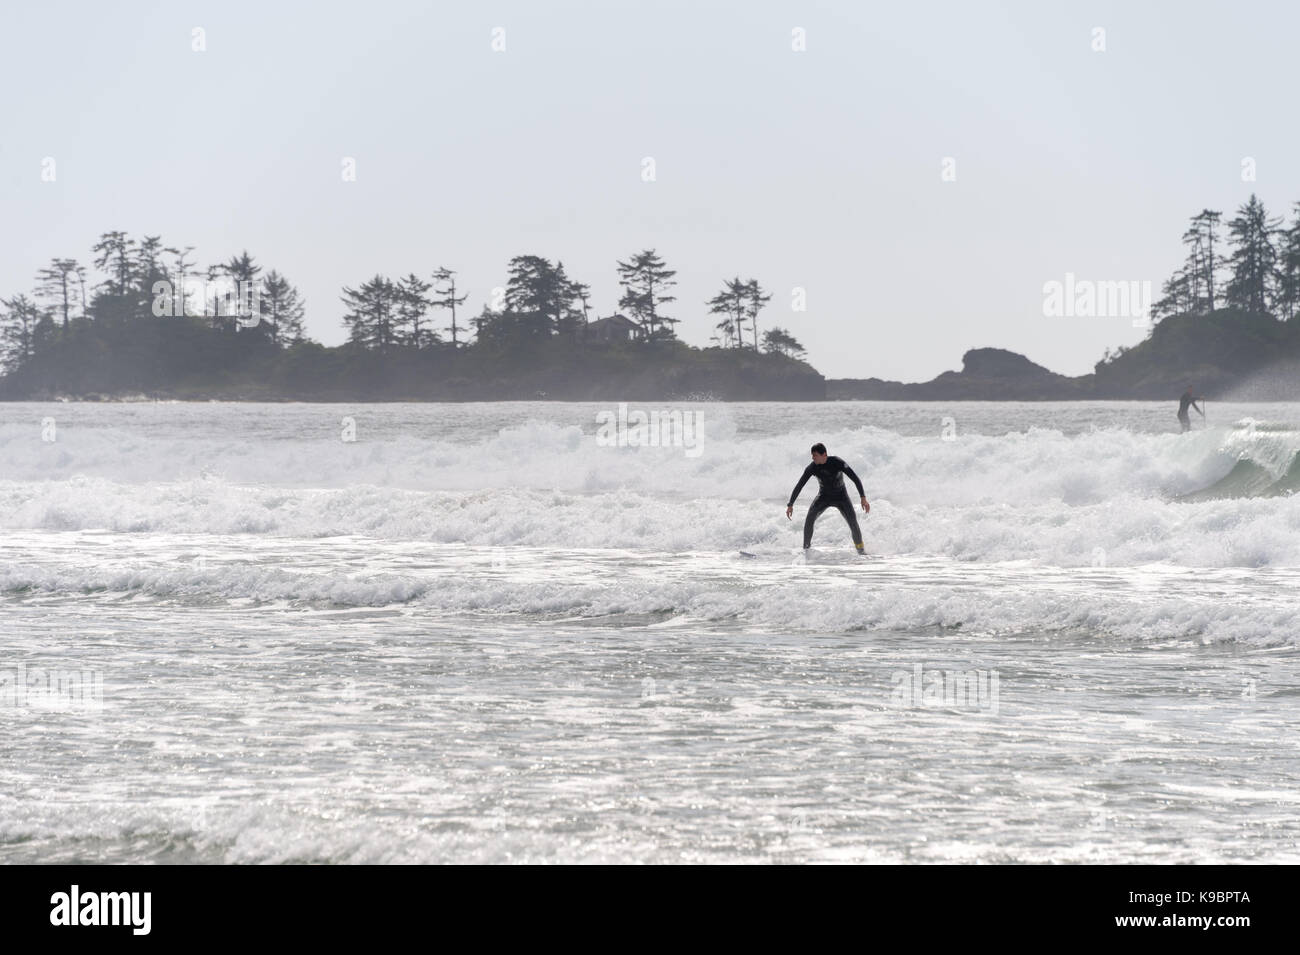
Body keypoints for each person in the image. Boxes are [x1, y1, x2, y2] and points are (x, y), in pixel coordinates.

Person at [786, 442, 870, 553]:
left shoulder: (837, 462)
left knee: (853, 523)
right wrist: (790, 504)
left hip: (841, 497)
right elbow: (800, 485)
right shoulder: (812, 467)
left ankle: (861, 551)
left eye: (815, 455)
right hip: (823, 496)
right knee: (809, 519)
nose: (812, 458)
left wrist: (863, 497)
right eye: (812, 455)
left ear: (824, 454)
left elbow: (855, 478)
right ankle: (806, 550)